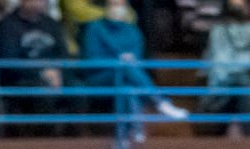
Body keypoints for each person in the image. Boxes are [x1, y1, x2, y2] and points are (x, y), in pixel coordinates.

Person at [80, 0, 190, 130]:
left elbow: (136, 63)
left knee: (128, 87)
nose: (117, 9)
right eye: (114, 5)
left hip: (127, 77)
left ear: (126, 8)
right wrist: (118, 62)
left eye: (121, 5)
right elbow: (92, 60)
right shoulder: (95, 28)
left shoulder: (133, 32)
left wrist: (124, 63)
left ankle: (135, 134)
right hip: (99, 78)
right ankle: (160, 101)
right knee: (126, 68)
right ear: (107, 7)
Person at [0, 0, 69, 135]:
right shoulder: (7, 25)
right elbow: (9, 62)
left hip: (54, 75)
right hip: (21, 79)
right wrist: (41, 73)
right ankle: (46, 143)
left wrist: (57, 72)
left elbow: (63, 54)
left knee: (79, 89)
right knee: (42, 93)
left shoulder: (51, 24)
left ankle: (75, 141)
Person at [204, 0, 250, 135]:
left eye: (240, 5)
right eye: (233, 5)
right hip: (223, 83)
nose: (237, 8)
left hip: (248, 80)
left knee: (247, 85)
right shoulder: (218, 30)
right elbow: (217, 62)